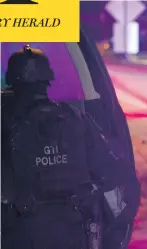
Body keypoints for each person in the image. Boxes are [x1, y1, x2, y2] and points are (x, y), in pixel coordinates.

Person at [1, 45, 131, 249]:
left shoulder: (6, 123)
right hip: (74, 229)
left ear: (12, 82)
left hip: (24, 232)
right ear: (47, 81)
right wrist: (115, 229)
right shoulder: (74, 117)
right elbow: (110, 172)